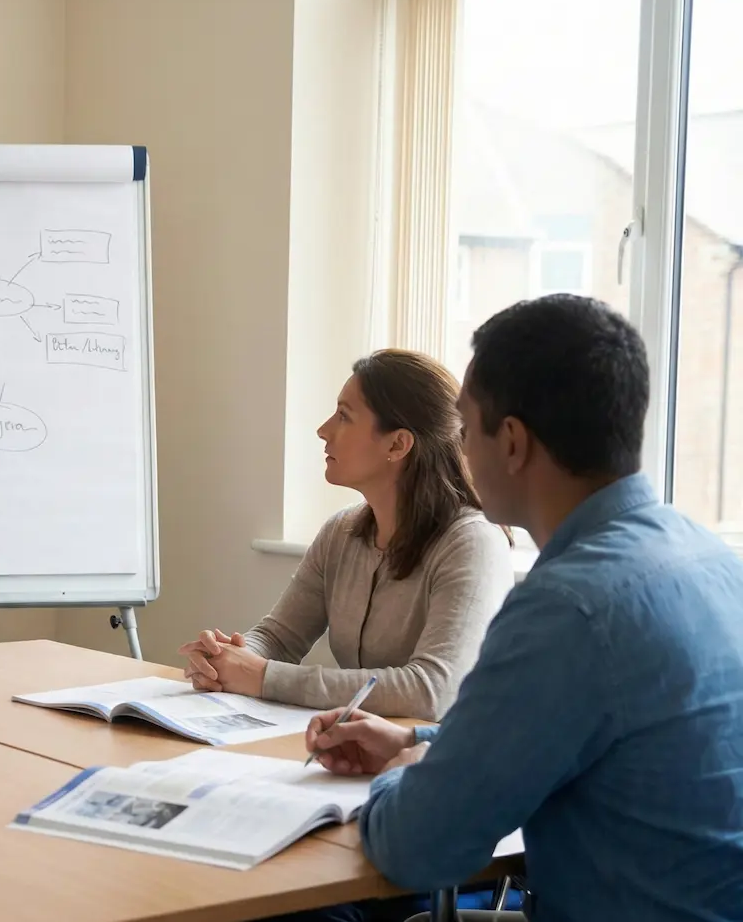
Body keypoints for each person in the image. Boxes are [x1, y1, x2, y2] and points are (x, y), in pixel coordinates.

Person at [304, 295, 743, 921]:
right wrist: (418, 738)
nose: (458, 449)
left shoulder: (567, 607)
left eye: (464, 428)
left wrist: (405, 767)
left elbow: (416, 848)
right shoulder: (711, 560)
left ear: (511, 442)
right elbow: (589, 733)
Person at [179, 350, 513, 721]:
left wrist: (261, 676)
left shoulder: (473, 543)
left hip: (447, 751)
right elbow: (278, 639)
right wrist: (226, 658)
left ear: (397, 445)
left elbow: (433, 692)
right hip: (361, 745)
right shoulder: (341, 532)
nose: (323, 430)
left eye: (344, 416)